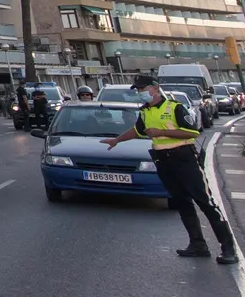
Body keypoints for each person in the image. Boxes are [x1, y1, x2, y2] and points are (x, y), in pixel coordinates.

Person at [101, 74, 237, 265]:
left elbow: (192, 131)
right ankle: (198, 244)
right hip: (164, 161)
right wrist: (117, 140)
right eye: (138, 90)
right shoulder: (145, 111)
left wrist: (162, 132)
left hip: (184, 159)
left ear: (155, 89)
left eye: (143, 89)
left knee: (205, 202)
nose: (140, 93)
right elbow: (138, 130)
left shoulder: (175, 107)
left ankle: (228, 248)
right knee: (182, 203)